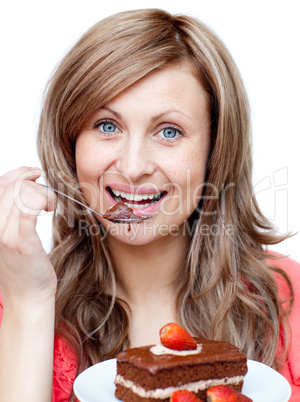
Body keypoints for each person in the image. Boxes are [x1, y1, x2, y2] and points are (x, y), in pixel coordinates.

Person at [0, 8, 299, 402]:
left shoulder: (288, 298)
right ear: (69, 142)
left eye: (169, 131)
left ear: (215, 150)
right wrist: (29, 305)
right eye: (107, 126)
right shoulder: (17, 302)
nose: (133, 167)